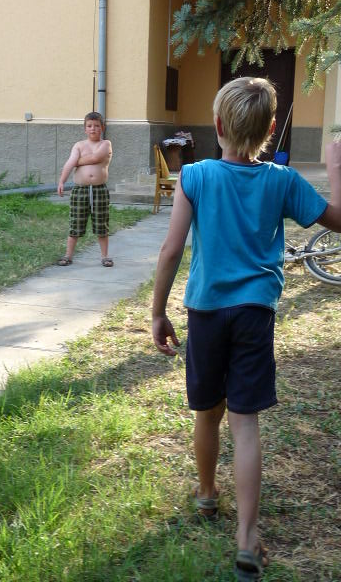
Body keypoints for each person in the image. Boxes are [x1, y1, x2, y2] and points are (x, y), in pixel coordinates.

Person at [151, 77, 341, 581]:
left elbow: (171, 251)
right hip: (256, 314)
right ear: (271, 129)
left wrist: (157, 312)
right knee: (245, 423)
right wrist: (337, 172)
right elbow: (338, 219)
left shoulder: (194, 176)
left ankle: (207, 493)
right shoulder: (282, 181)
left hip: (206, 313)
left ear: (216, 125)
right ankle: (247, 539)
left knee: (207, 413)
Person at [57, 111, 113, 267]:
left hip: (99, 190)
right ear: (85, 128)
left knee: (101, 223)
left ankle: (105, 256)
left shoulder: (105, 144)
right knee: (76, 222)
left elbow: (95, 158)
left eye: (96, 126)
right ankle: (68, 255)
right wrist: (62, 181)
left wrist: (77, 161)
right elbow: (69, 163)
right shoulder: (79, 145)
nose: (93, 128)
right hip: (80, 190)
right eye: (89, 126)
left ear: (102, 128)